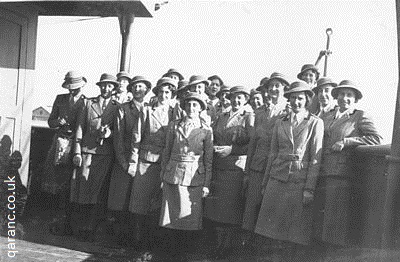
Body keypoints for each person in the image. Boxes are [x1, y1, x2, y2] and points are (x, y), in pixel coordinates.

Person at [254, 81, 324, 261]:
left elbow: (316, 159)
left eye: (300, 98)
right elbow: (272, 154)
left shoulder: (315, 123)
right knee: (271, 228)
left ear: (307, 100)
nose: (296, 102)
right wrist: (265, 183)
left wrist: (309, 188)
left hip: (298, 180)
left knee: (294, 231)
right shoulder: (281, 122)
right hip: (277, 177)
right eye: (292, 98)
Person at [313, 80, 382, 250]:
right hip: (321, 171)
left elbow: (375, 138)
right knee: (319, 218)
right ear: (336, 97)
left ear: (355, 99)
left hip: (340, 173)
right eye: (342, 94)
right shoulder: (326, 115)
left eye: (349, 95)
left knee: (335, 221)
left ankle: (332, 253)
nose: (345, 98)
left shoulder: (360, 116)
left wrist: (347, 141)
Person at [159, 92, 213, 261]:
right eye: (188, 105)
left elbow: (208, 159)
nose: (191, 108)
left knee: (189, 217)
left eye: (195, 105)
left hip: (194, 177)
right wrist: (163, 174)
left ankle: (185, 254)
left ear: (200, 109)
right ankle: (171, 253)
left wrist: (206, 184)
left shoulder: (206, 129)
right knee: (171, 215)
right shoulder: (174, 125)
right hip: (173, 173)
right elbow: (166, 151)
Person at [204, 86, 254, 259]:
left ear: (246, 100)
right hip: (220, 166)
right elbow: (215, 136)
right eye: (234, 97)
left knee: (230, 210)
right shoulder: (222, 116)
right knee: (217, 210)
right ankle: (218, 246)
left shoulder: (248, 117)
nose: (236, 101)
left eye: (240, 98)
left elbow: (252, 144)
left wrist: (232, 149)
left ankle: (227, 249)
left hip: (235, 168)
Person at [128, 77, 176, 251]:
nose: (164, 95)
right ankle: (137, 241)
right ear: (156, 93)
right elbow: (136, 137)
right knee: (139, 203)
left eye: (168, 92)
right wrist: (133, 163)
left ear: (172, 95)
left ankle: (153, 243)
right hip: (145, 162)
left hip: (165, 163)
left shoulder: (174, 112)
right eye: (161, 92)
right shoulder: (147, 110)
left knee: (158, 205)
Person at [242, 72, 290, 245]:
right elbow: (253, 142)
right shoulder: (260, 112)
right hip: (258, 165)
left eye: (278, 86)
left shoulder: (289, 110)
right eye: (271, 86)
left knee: (271, 208)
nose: (274, 89)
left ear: (284, 88)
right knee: (252, 206)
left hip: (277, 166)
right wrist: (247, 171)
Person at [71, 73, 119, 241]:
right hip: (86, 152)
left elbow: (119, 132)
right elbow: (79, 128)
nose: (106, 88)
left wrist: (109, 133)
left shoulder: (117, 107)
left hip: (104, 155)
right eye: (104, 85)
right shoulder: (88, 103)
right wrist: (77, 151)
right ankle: (79, 228)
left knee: (97, 192)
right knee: (82, 189)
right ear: (100, 87)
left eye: (110, 86)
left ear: (114, 88)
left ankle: (91, 229)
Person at [107, 75, 152, 246]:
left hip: (143, 161)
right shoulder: (123, 109)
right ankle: (120, 238)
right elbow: (118, 138)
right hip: (124, 159)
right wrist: (123, 162)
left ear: (147, 90)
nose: (137, 89)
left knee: (139, 201)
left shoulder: (150, 109)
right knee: (121, 201)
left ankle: (137, 239)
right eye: (135, 86)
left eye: (141, 87)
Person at [42, 70, 86, 235]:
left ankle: (69, 223)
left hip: (76, 145)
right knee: (57, 184)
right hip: (59, 144)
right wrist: (57, 122)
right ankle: (58, 221)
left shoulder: (86, 102)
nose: (71, 90)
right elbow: (50, 121)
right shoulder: (60, 99)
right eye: (70, 87)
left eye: (74, 87)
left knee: (72, 185)